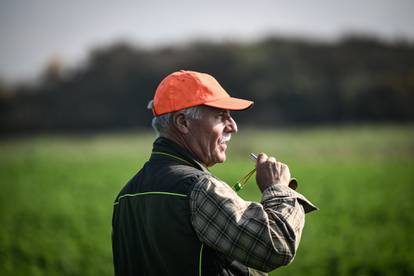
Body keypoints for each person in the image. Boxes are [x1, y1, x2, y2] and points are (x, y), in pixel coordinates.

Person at [112, 70, 317, 276]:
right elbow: (277, 247)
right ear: (183, 122)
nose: (233, 127)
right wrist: (278, 189)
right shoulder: (199, 188)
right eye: (221, 116)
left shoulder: (125, 196)